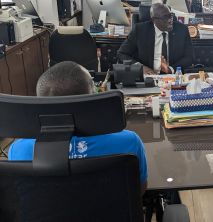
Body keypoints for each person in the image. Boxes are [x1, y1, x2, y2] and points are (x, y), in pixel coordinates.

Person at [8, 61, 148, 194]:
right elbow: (139, 191)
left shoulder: (18, 150)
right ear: (91, 99)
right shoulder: (128, 142)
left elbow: (22, 198)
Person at [117, 3, 193, 75]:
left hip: (172, 78)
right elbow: (122, 53)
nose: (170, 20)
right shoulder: (140, 30)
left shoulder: (182, 30)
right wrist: (141, 68)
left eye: (170, 15)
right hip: (148, 78)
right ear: (154, 20)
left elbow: (189, 57)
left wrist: (170, 69)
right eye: (165, 17)